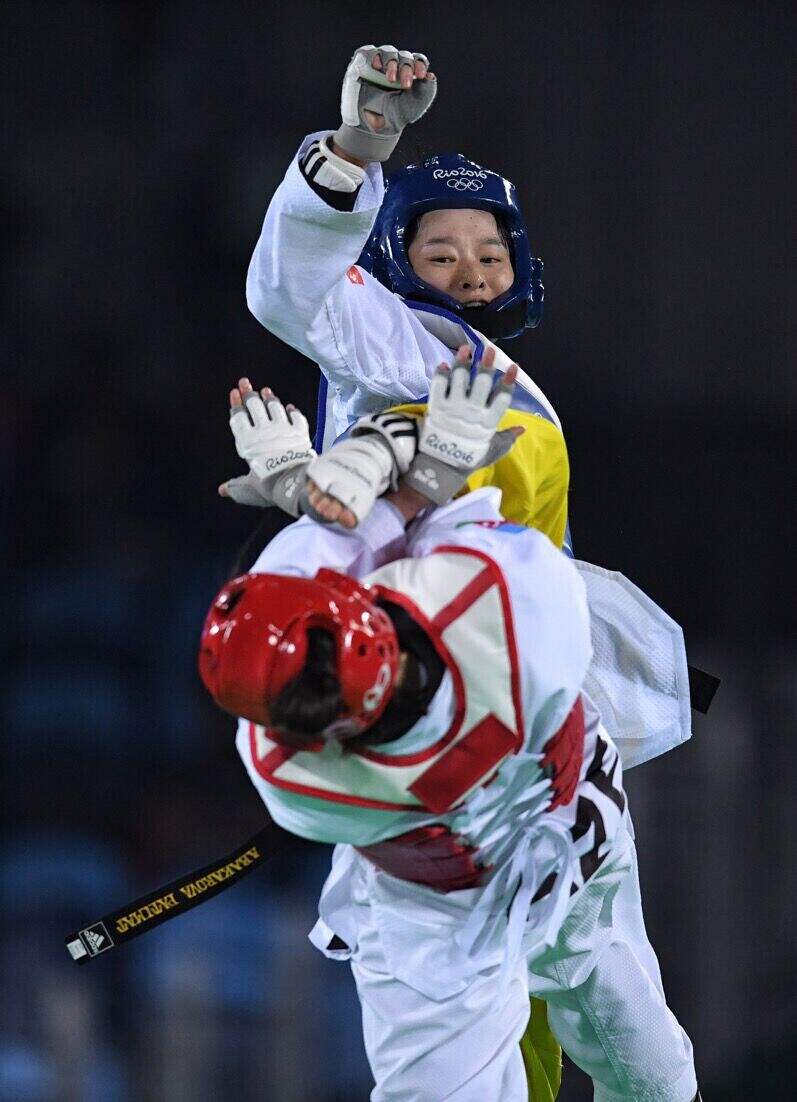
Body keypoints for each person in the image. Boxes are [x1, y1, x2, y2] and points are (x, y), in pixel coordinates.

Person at [201, 363, 701, 1101]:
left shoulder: (282, 767)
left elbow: (342, 537)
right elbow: (421, 511)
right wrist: (417, 459)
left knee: (640, 1061)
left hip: (449, 898)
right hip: (525, 855)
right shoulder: (507, 611)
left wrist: (310, 485)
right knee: (641, 1057)